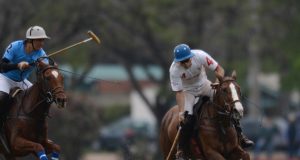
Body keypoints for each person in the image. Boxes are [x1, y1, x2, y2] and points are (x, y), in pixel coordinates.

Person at [169, 44, 254, 158]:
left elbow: (219, 69)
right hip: (187, 91)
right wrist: (180, 113)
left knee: (226, 106)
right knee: (187, 121)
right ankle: (182, 151)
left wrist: (216, 83)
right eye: (182, 62)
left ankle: (241, 136)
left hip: (204, 85)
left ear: (191, 56)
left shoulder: (200, 56)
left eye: (187, 60)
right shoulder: (174, 69)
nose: (185, 64)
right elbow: (179, 92)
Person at [0, 25, 50, 115]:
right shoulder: (15, 46)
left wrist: (43, 65)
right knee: (2, 97)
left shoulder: (41, 53)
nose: (42, 43)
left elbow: (46, 69)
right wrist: (18, 65)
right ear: (30, 40)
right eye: (39, 40)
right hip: (5, 79)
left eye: (43, 40)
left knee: (40, 98)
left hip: (22, 81)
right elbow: (2, 66)